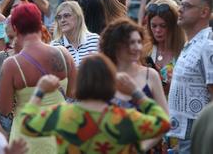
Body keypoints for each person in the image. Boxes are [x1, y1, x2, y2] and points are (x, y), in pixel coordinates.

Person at [19, 54, 170, 153]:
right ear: (111, 82)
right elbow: (164, 123)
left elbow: (26, 124)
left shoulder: (61, 115)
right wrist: (136, 93)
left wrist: (40, 91)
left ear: (80, 81)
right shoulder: (125, 118)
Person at [0, 3, 76, 153]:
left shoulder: (12, 64)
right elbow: (72, 93)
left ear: (15, 28)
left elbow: (4, 109)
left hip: (27, 138)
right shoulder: (63, 53)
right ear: (40, 24)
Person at [99, 18, 168, 151]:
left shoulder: (150, 75)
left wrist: (141, 148)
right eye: (131, 43)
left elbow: (165, 119)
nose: (137, 47)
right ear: (116, 45)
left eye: (139, 42)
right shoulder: (103, 77)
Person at [168, 0, 213, 153]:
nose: (180, 9)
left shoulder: (208, 46)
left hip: (196, 136)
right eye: (181, 5)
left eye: (186, 6)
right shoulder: (193, 43)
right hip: (183, 137)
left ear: (204, 12)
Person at [145, 0, 186, 96]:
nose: (157, 30)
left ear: (174, 27)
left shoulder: (185, 51)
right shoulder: (145, 50)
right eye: (153, 26)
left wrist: (174, 84)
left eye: (163, 26)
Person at [51, 1, 99, 67]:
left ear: (78, 17)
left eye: (66, 16)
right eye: (59, 17)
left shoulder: (95, 40)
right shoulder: (55, 46)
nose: (62, 20)